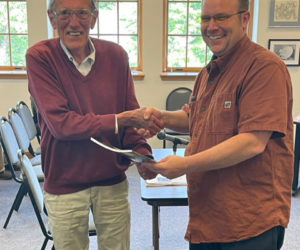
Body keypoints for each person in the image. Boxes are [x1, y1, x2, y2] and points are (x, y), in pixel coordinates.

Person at [139, 0, 294, 249]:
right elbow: (197, 119)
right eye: (205, 19)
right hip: (208, 216)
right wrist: (161, 117)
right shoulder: (208, 72)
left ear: (244, 19)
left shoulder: (264, 68)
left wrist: (185, 165)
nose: (211, 27)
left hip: (249, 221)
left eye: (221, 18)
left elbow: (252, 142)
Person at [26, 0, 161, 249]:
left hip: (112, 182)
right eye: (65, 13)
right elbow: (61, 125)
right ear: (52, 18)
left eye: (82, 13)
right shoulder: (40, 57)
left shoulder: (116, 56)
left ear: (95, 17)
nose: (74, 22)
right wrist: (122, 120)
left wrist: (143, 153)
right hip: (65, 184)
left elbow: (130, 114)